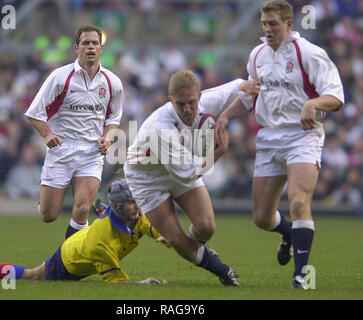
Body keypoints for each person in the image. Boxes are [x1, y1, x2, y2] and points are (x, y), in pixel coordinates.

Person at [215, 0, 344, 289]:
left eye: (273, 23)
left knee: (299, 201)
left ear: (289, 24)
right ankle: (288, 233)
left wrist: (313, 103)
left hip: (303, 136)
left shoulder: (309, 54)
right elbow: (250, 95)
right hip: (269, 138)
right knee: (261, 218)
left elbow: (336, 96)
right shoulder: (258, 55)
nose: (267, 29)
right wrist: (224, 115)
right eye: (264, 24)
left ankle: (301, 276)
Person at [123, 69, 259, 287]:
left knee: (206, 227)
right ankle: (223, 271)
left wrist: (247, 86)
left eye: (191, 102)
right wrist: (220, 151)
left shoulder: (207, 100)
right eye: (180, 104)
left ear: (199, 96)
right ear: (171, 101)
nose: (187, 109)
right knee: (176, 239)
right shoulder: (160, 128)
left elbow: (234, 87)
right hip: (147, 177)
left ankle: (197, 248)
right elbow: (187, 174)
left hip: (182, 164)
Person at [0, 177, 168, 285]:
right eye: (131, 202)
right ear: (120, 206)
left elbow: (150, 224)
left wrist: (164, 234)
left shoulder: (136, 216)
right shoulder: (102, 243)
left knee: (106, 226)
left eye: (137, 201)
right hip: (67, 262)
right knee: (32, 276)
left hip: (84, 240)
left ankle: (103, 211)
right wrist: (143, 284)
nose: (138, 206)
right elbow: (117, 283)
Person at [24, 24, 124, 238]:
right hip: (62, 149)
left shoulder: (112, 82)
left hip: (91, 152)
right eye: (86, 43)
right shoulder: (60, 77)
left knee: (82, 209)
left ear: (101, 48)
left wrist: (107, 137)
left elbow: (113, 118)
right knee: (48, 214)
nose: (90, 47)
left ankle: (71, 259)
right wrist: (48, 134)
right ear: (76, 48)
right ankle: (48, 195)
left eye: (95, 43)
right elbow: (34, 112)